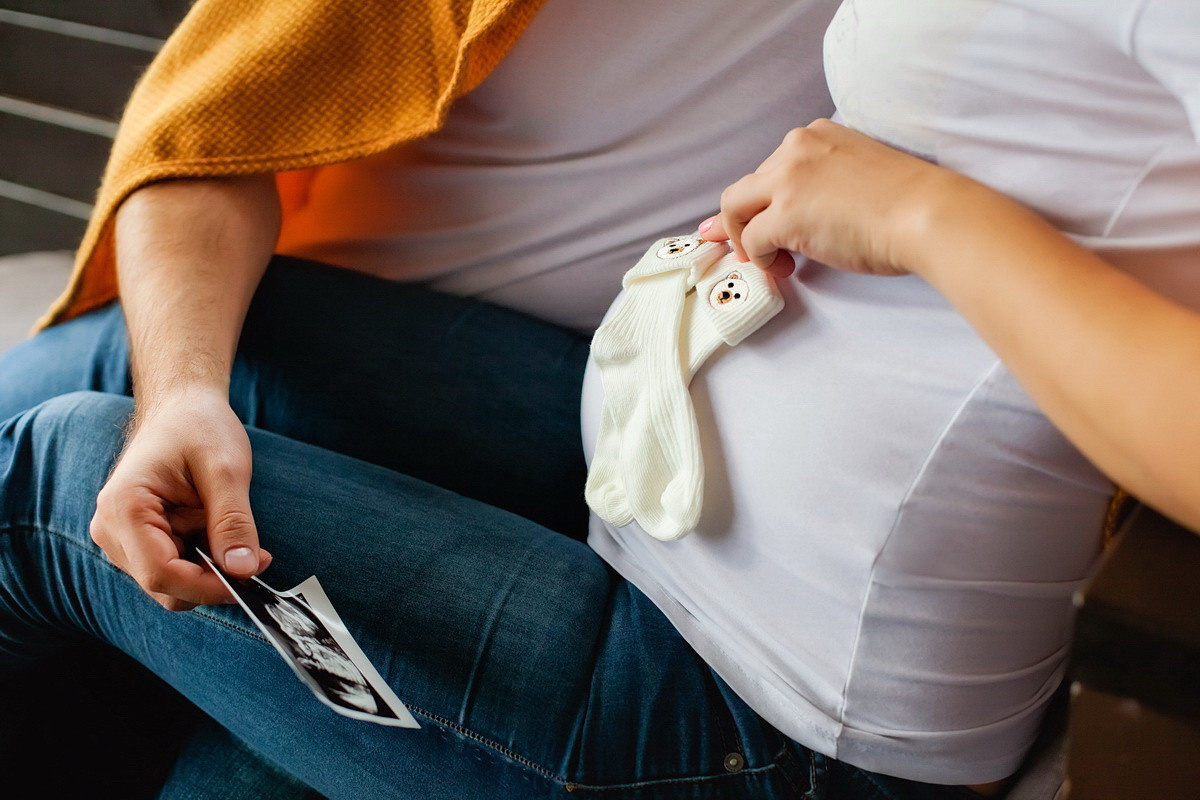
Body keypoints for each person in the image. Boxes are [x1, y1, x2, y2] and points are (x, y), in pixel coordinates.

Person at [1, 1, 1196, 799]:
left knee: (48, 486)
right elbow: (220, 119)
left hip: (769, 717)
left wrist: (928, 218)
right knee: (122, 379)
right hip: (650, 466)